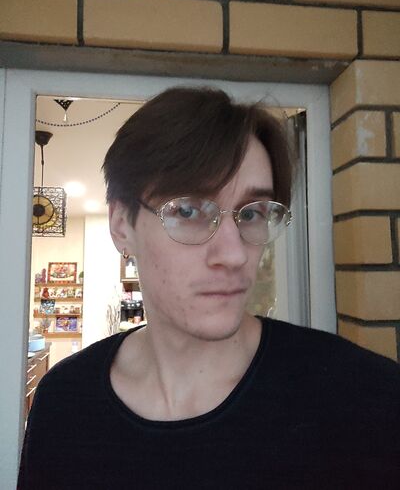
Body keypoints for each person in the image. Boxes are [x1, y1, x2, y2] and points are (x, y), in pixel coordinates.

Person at [19, 87, 399, 489]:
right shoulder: (65, 401)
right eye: (188, 210)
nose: (234, 255)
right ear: (121, 226)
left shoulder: (363, 397)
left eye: (251, 214)